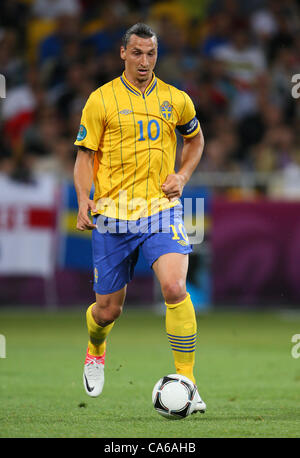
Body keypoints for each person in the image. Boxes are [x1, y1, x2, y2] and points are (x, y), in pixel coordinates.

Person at [73, 23, 206, 413]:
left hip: (160, 210)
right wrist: (84, 198)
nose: (144, 61)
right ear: (123, 53)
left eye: (151, 54)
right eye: (137, 53)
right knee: (107, 310)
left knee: (175, 288)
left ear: (156, 55)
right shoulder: (101, 100)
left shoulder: (176, 99)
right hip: (113, 216)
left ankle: (188, 380)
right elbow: (84, 156)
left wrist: (182, 175)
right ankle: (95, 350)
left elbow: (195, 139)